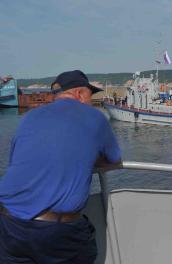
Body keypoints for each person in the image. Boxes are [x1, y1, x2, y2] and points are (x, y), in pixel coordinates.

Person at [0, 70, 122, 263]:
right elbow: (114, 159)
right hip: (56, 234)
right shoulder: (95, 117)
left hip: (9, 225)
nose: (91, 101)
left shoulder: (30, 117)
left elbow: (17, 159)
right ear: (80, 94)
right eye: (91, 95)